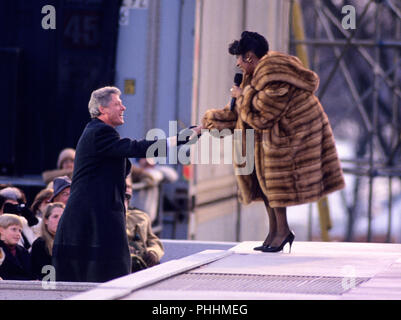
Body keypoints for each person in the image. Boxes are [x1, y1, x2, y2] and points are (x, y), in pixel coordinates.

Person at [202, 31, 345, 253]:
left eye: (239, 58)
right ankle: (275, 231)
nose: (238, 64)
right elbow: (243, 113)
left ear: (249, 56)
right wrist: (210, 122)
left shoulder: (274, 75)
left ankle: (282, 232)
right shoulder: (256, 76)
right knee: (265, 183)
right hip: (275, 135)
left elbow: (263, 115)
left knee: (275, 183)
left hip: (293, 138)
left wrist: (243, 96)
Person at [53, 86, 202, 282]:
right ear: (102, 109)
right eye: (118, 104)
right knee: (107, 277)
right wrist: (182, 138)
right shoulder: (100, 132)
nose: (123, 108)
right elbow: (137, 148)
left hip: (95, 221)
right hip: (93, 221)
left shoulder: (98, 132)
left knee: (102, 275)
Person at [124, 180, 164, 272]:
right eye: (123, 186)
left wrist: (153, 252)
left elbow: (153, 241)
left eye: (129, 187)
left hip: (142, 267)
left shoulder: (141, 216)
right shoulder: (103, 217)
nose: (126, 190)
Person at [31, 202, 64, 280]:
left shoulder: (69, 243)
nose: (60, 220)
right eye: (55, 217)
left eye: (63, 217)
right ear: (46, 220)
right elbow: (44, 276)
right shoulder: (40, 244)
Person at [0, 214, 34, 280]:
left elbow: (30, 273)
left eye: (20, 230)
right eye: (14, 229)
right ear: (1, 230)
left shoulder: (23, 251)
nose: (18, 234)